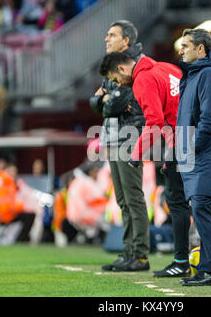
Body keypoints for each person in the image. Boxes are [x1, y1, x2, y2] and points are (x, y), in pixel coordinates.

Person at [99, 46, 211, 280]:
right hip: (194, 134)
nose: (119, 84)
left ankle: (182, 262)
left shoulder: (142, 81)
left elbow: (154, 121)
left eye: (116, 78)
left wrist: (137, 153)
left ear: (122, 68)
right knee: (197, 195)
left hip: (181, 139)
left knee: (177, 201)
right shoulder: (166, 68)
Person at [90, 20, 150, 272]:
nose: (106, 38)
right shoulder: (112, 66)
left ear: (126, 41)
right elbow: (96, 103)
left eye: (112, 35)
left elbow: (114, 105)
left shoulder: (138, 66)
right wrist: (104, 98)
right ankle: (129, 253)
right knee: (123, 200)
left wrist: (106, 99)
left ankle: (140, 255)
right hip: (114, 137)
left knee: (133, 198)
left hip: (130, 137)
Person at [174, 28, 211, 286]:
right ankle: (210, 270)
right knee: (206, 211)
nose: (181, 50)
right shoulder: (194, 74)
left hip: (207, 155)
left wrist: (191, 146)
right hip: (197, 156)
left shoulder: (208, 74)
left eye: (186, 46)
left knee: (203, 208)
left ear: (201, 49)